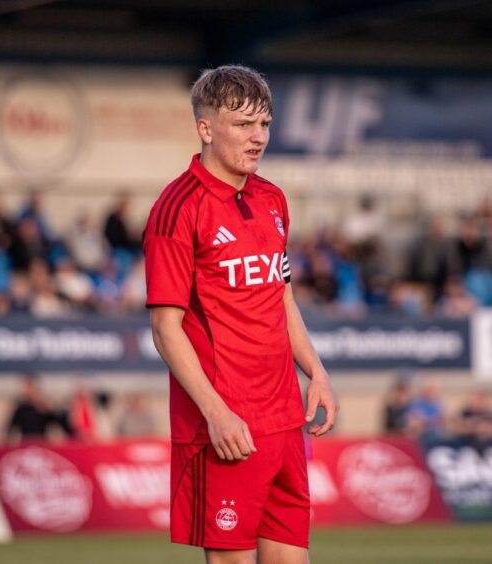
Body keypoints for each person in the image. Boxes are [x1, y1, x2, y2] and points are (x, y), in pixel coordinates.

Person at [144, 65, 337, 564]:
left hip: (284, 423)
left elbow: (282, 297)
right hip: (227, 427)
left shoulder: (272, 198)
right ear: (206, 128)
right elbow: (166, 331)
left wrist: (315, 371)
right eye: (243, 125)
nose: (259, 138)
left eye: (265, 124)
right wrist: (216, 412)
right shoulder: (177, 209)